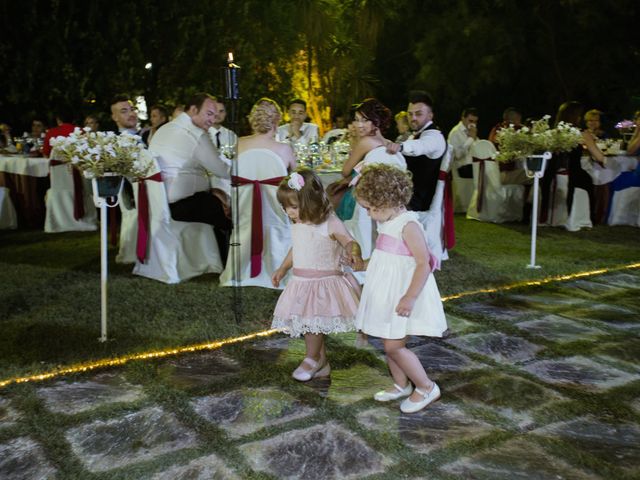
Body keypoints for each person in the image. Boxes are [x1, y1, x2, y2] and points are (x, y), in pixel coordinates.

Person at [353, 164, 447, 413]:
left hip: (402, 293)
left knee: (394, 345)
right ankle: (400, 384)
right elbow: (385, 255)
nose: (370, 214)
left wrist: (410, 296)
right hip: (386, 291)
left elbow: (423, 263)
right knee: (387, 340)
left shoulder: (408, 225)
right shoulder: (387, 222)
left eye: (372, 208)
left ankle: (426, 387)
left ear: (390, 200)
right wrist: (363, 263)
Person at [271, 168, 363, 381]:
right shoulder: (299, 224)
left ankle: (312, 358)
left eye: (293, 207)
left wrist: (354, 252)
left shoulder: (330, 222)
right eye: (285, 207)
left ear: (311, 201)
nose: (289, 213)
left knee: (312, 323)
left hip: (323, 283)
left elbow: (349, 241)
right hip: (302, 282)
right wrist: (283, 268)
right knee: (310, 323)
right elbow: (298, 248)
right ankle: (321, 364)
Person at [149, 92, 231, 260]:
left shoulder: (166, 128)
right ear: (193, 110)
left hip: (157, 202)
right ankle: (229, 261)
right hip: (182, 206)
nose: (213, 120)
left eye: (215, 116)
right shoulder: (195, 133)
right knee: (232, 212)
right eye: (209, 114)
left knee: (214, 200)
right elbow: (222, 170)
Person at [334, 98, 406, 222]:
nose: (359, 125)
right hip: (390, 203)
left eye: (365, 120)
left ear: (376, 121)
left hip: (366, 204)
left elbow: (345, 171)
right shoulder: (389, 144)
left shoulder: (366, 142)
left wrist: (353, 148)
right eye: (356, 120)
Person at [540, 101, 605, 224]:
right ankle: (590, 216)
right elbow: (599, 157)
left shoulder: (551, 133)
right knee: (589, 181)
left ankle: (545, 214)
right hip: (573, 174)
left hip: (550, 175)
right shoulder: (582, 134)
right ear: (576, 116)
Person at [386, 90, 447, 211]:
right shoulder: (416, 134)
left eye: (418, 114)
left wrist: (401, 146)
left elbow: (421, 146)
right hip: (407, 196)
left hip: (417, 203)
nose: (413, 118)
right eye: (410, 114)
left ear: (430, 115)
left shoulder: (435, 136)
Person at [238, 98, 296, 171]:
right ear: (276, 122)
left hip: (244, 183)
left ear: (252, 119)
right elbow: (297, 178)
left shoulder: (238, 144)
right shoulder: (285, 149)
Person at [447, 107, 479, 179]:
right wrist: (471, 139)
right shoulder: (455, 133)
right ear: (463, 118)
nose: (473, 124)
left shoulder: (472, 131)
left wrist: (474, 138)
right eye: (470, 121)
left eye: (475, 122)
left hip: (473, 168)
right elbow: (457, 155)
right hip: (461, 170)